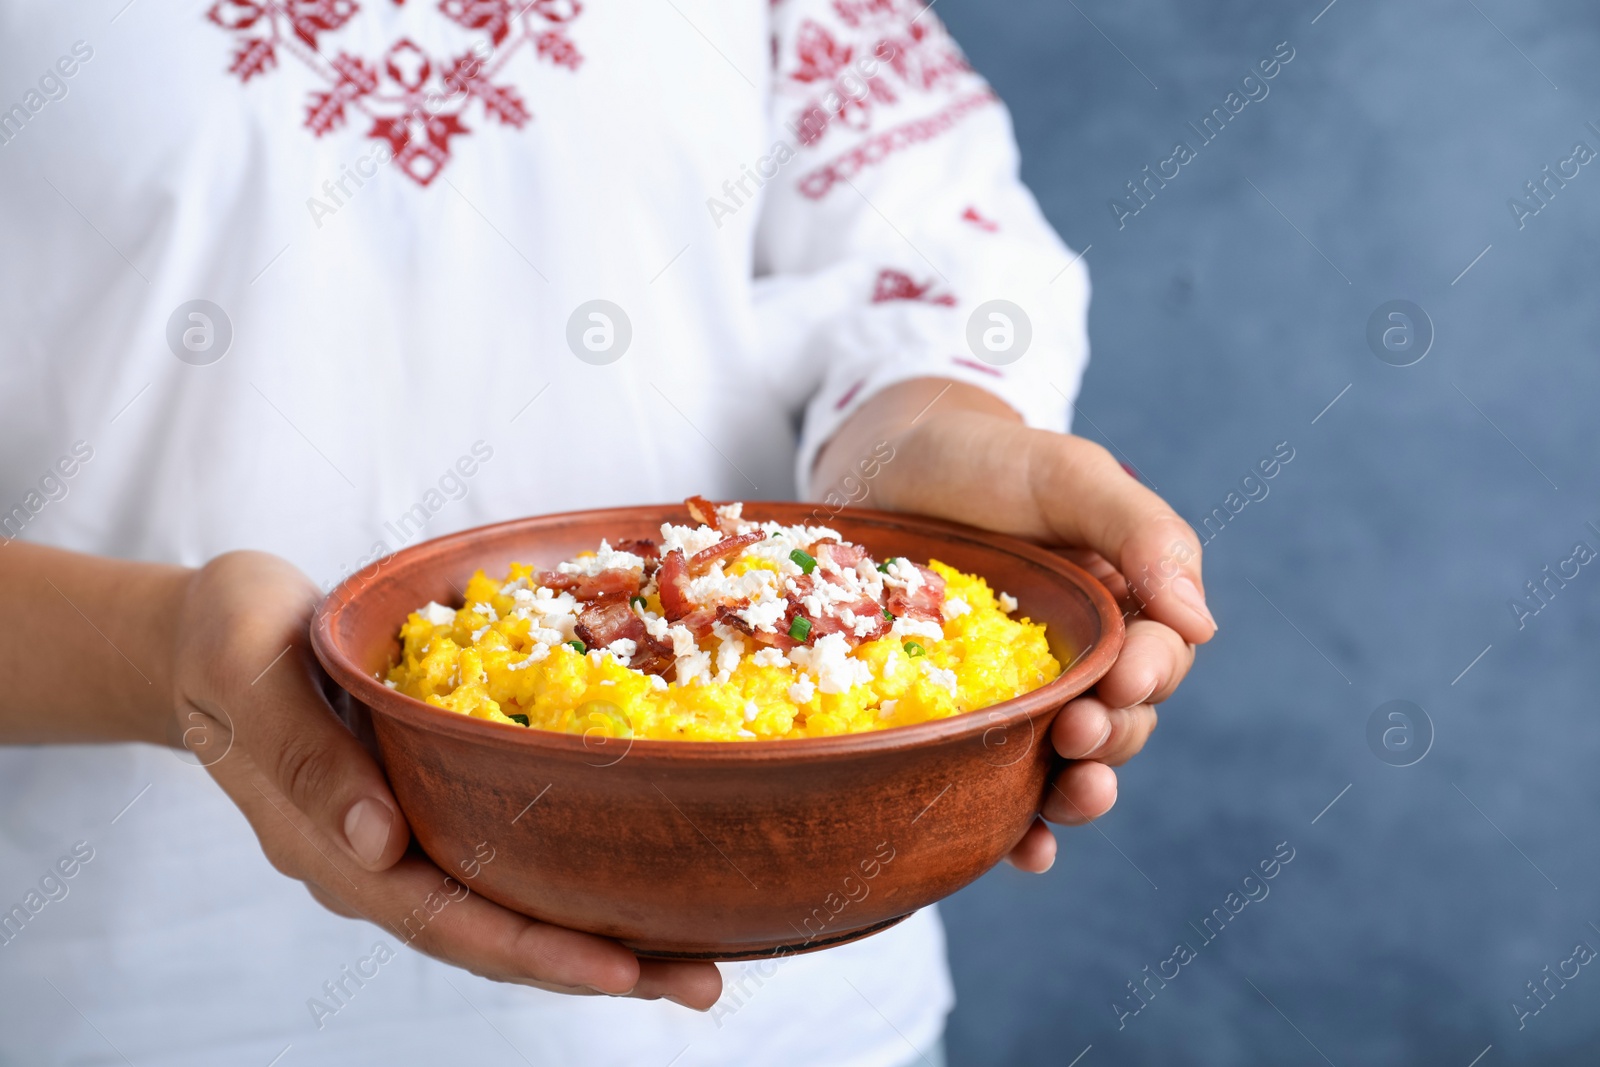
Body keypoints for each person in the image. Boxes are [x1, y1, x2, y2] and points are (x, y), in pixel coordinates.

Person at [0, 0, 1212, 1062]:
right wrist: (167, 654)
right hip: (134, 995)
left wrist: (929, 438)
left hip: (781, 1006)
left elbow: (919, 259)